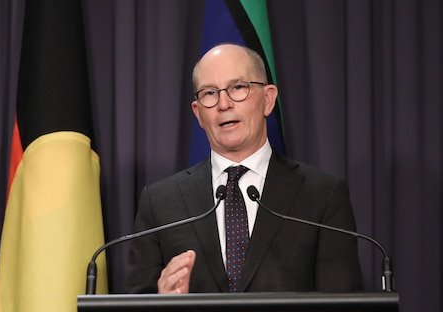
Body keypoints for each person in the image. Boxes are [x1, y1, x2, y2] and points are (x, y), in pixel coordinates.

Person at [125, 43, 362, 294]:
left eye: (238, 87)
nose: (224, 104)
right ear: (197, 113)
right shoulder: (160, 203)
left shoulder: (322, 196)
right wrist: (161, 307)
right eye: (209, 93)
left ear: (268, 100)